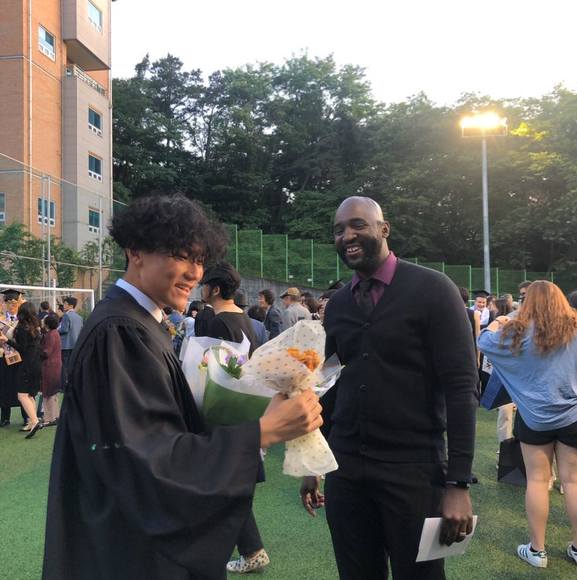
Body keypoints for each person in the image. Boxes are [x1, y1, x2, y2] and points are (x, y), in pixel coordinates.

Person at [42, 195, 323, 580]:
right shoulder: (119, 332)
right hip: (129, 552)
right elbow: (146, 460)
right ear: (135, 251)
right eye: (180, 255)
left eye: (200, 259)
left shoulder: (139, 322)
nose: (195, 273)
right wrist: (264, 431)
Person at [300, 196, 478, 580]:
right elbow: (329, 387)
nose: (347, 235)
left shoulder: (433, 289)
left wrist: (459, 482)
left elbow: (463, 387)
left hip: (414, 471)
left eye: (358, 225)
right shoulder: (340, 304)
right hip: (346, 470)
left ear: (384, 229)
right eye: (338, 230)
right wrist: (312, 461)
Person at [478, 280, 577, 569]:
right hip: (573, 416)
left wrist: (502, 320)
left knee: (537, 481)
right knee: (573, 481)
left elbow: (483, 341)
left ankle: (537, 550)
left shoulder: (516, 333)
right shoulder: (573, 329)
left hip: (533, 417)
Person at [200, 264, 268, 573]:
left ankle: (250, 551)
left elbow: (214, 371)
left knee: (224, 484)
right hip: (246, 410)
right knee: (232, 484)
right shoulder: (244, 319)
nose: (199, 288)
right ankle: (251, 549)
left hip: (225, 412)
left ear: (214, 289)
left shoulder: (218, 322)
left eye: (204, 284)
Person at [0, 301, 43, 438]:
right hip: (36, 364)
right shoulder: (36, 327)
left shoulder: (22, 329)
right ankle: (31, 421)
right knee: (30, 394)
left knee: (22, 395)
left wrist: (7, 340)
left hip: (27, 365)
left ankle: (34, 421)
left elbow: (22, 349)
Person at [0, 288, 27, 427]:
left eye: (14, 302)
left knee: (21, 386)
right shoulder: (1, 320)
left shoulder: (23, 320)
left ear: (18, 303)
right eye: (8, 302)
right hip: (4, 358)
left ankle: (26, 416)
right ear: (4, 303)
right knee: (4, 387)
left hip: (20, 358)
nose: (11, 305)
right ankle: (5, 418)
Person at [40, 314, 62, 427]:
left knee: (48, 392)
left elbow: (46, 352)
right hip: (56, 364)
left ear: (47, 324)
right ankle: (55, 416)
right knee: (53, 392)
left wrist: (36, 352)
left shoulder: (50, 335)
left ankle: (49, 418)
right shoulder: (55, 333)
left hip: (49, 366)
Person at [58, 296, 83, 388]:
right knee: (73, 365)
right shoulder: (79, 317)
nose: (63, 305)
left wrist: (56, 330)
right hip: (75, 345)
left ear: (71, 306)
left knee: (64, 366)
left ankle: (64, 386)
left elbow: (64, 329)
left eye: (65, 304)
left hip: (66, 345)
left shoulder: (66, 315)